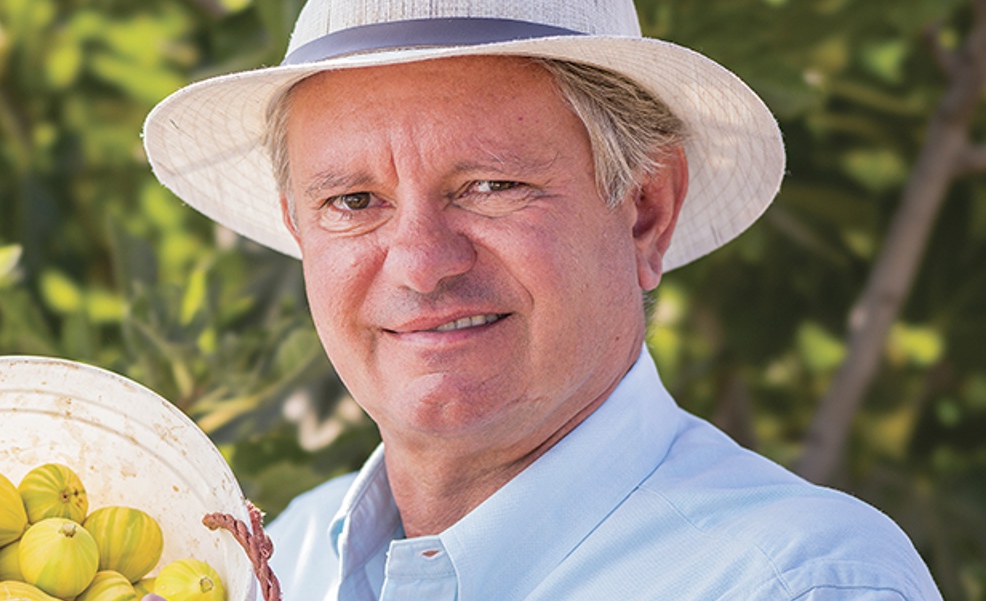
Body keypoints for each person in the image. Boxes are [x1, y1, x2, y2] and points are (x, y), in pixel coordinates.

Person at [143, 0, 943, 599]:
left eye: (491, 186)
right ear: (300, 231)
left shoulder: (798, 581)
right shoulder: (289, 553)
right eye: (353, 201)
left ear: (644, 211)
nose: (422, 265)